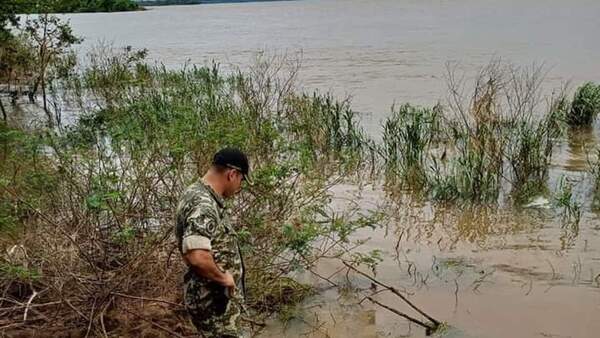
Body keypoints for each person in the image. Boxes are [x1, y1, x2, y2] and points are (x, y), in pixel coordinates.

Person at [175, 147, 251, 337]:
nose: (239, 187)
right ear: (232, 174)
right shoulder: (204, 204)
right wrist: (223, 278)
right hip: (214, 304)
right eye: (241, 180)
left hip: (211, 300)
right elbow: (197, 256)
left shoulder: (196, 192)